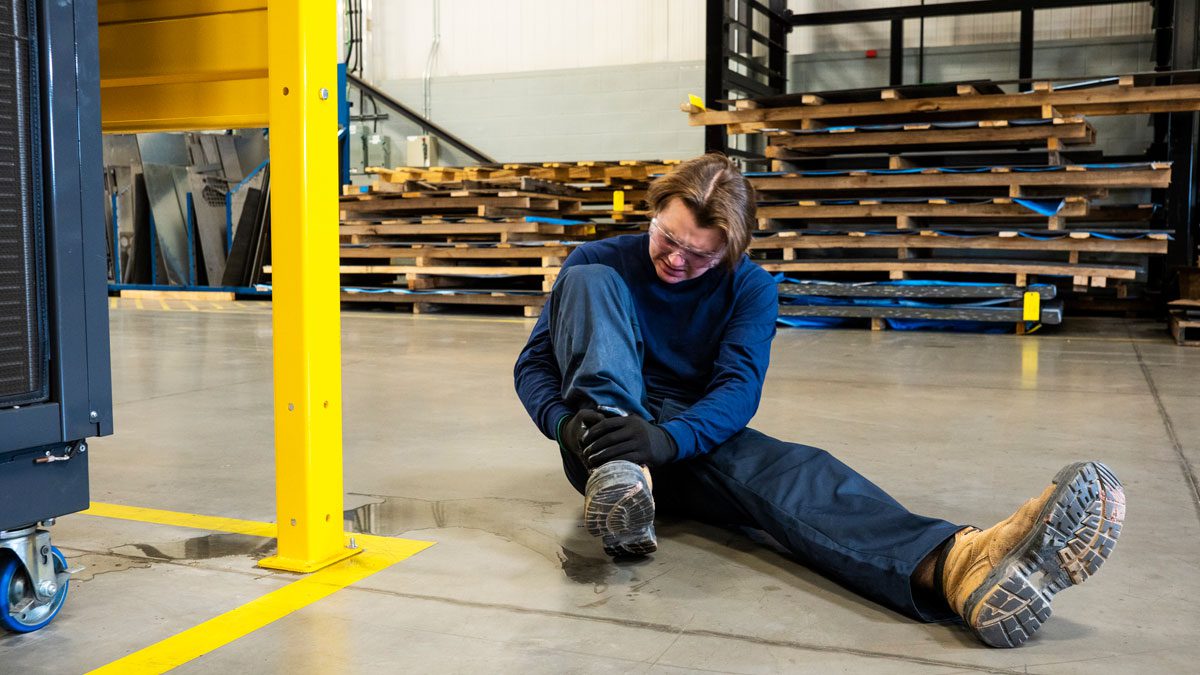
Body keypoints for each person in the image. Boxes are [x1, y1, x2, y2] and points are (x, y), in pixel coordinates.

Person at [513, 153, 1124, 648]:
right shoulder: (599, 260)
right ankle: (623, 478)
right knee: (592, 282)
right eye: (667, 238)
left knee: (791, 472)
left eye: (699, 255)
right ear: (653, 215)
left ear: (732, 249)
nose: (676, 259)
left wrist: (669, 440)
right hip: (600, 441)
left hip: (682, 435)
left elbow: (737, 390)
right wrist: (570, 428)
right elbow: (535, 365)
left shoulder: (749, 288)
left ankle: (957, 569)